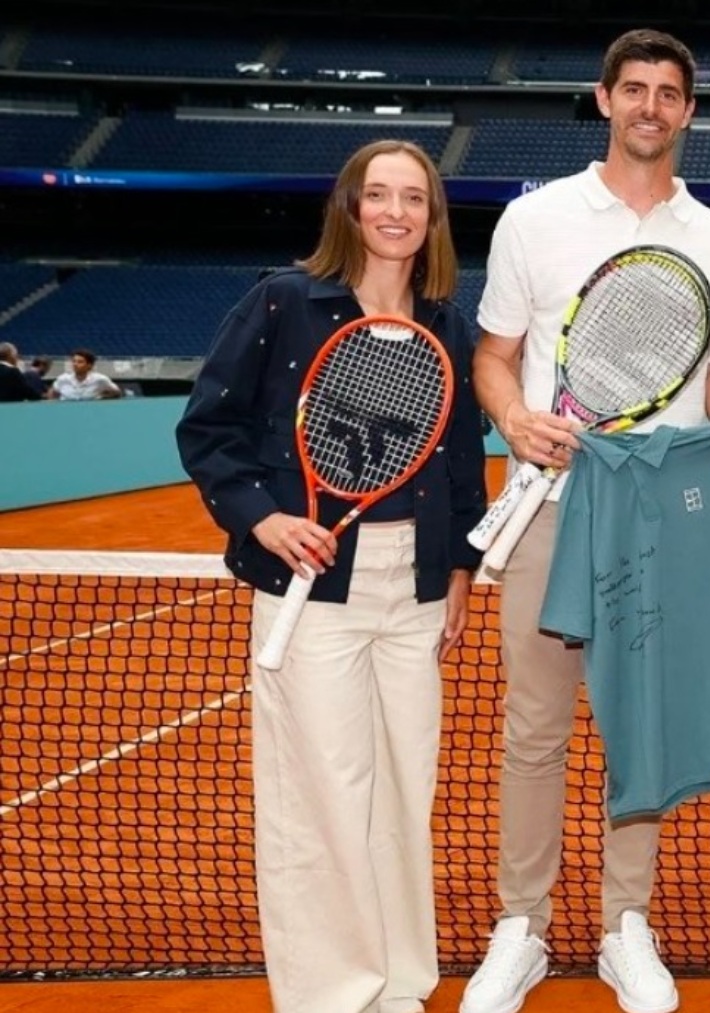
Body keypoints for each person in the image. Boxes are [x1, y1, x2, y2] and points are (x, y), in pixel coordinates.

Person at [461, 28, 710, 1013]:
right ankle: (520, 927)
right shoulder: (537, 220)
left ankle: (623, 925)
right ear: (605, 100)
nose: (650, 105)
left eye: (668, 92)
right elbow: (493, 353)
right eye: (633, 88)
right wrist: (514, 416)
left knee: (640, 729)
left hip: (665, 524)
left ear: (689, 112)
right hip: (554, 512)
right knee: (535, 728)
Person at [175, 138, 487, 1013]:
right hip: (310, 586)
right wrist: (264, 516)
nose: (395, 212)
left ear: (432, 218)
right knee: (321, 795)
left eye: (413, 198)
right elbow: (209, 430)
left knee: (400, 787)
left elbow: (461, 461)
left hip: (415, 586)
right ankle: (332, 994)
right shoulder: (283, 303)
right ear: (349, 210)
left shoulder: (448, 325)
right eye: (377, 196)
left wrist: (460, 567)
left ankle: (400, 983)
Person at [48, 347, 121, 400]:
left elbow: (116, 392)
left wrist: (102, 398)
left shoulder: (100, 379)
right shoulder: (63, 379)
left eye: (80, 362)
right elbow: (52, 393)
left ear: (89, 365)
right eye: (74, 361)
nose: (75, 364)